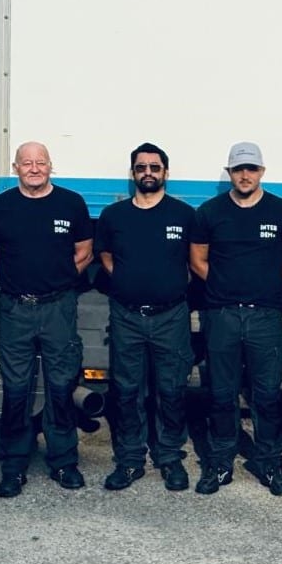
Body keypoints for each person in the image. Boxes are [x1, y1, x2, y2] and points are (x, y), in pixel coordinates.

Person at [0, 141, 95, 497]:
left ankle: (63, 462)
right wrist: (17, 283)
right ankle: (13, 465)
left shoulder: (70, 203)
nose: (34, 168)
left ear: (50, 167)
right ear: (15, 168)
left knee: (61, 387)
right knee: (16, 389)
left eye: (40, 163)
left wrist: (57, 281)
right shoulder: (1, 207)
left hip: (58, 307)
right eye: (26, 163)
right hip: (16, 308)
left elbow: (84, 252)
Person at [189, 142, 282, 496]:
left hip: (264, 316)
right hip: (221, 314)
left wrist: (263, 290)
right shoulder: (210, 212)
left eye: (251, 169)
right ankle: (220, 462)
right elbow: (197, 260)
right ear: (230, 172)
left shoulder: (281, 211)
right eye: (238, 169)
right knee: (222, 393)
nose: (245, 175)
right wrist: (227, 288)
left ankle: (270, 463)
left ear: (262, 172)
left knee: (266, 394)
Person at [95, 142, 195, 493]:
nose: (148, 172)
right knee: (127, 390)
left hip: (171, 316)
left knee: (171, 389)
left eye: (155, 167)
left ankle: (169, 457)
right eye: (141, 167)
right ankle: (130, 460)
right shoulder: (114, 217)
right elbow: (106, 256)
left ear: (165, 172)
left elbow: (194, 262)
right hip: (127, 316)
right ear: (133, 173)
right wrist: (128, 282)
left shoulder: (184, 215)